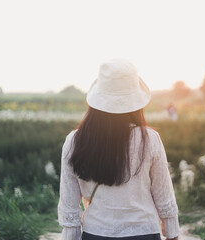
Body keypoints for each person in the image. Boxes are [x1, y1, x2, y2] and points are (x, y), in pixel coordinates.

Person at [58, 59, 179, 240]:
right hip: (144, 233)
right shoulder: (150, 139)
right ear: (136, 102)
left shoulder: (75, 141)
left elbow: (69, 205)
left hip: (96, 233)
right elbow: (164, 195)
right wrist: (172, 234)